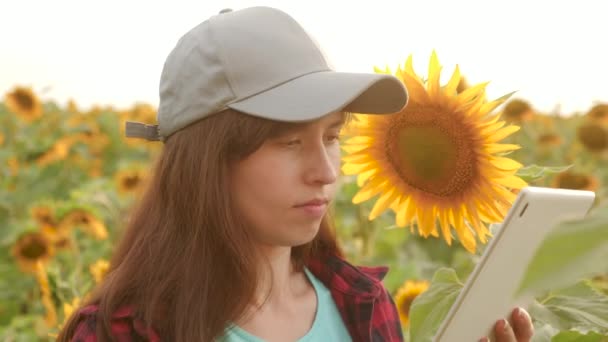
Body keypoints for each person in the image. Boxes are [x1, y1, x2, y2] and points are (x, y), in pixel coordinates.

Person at [57, 6, 534, 342]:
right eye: (288, 142)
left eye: (331, 136)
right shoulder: (120, 333)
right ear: (207, 163)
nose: (326, 173)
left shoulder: (363, 304)